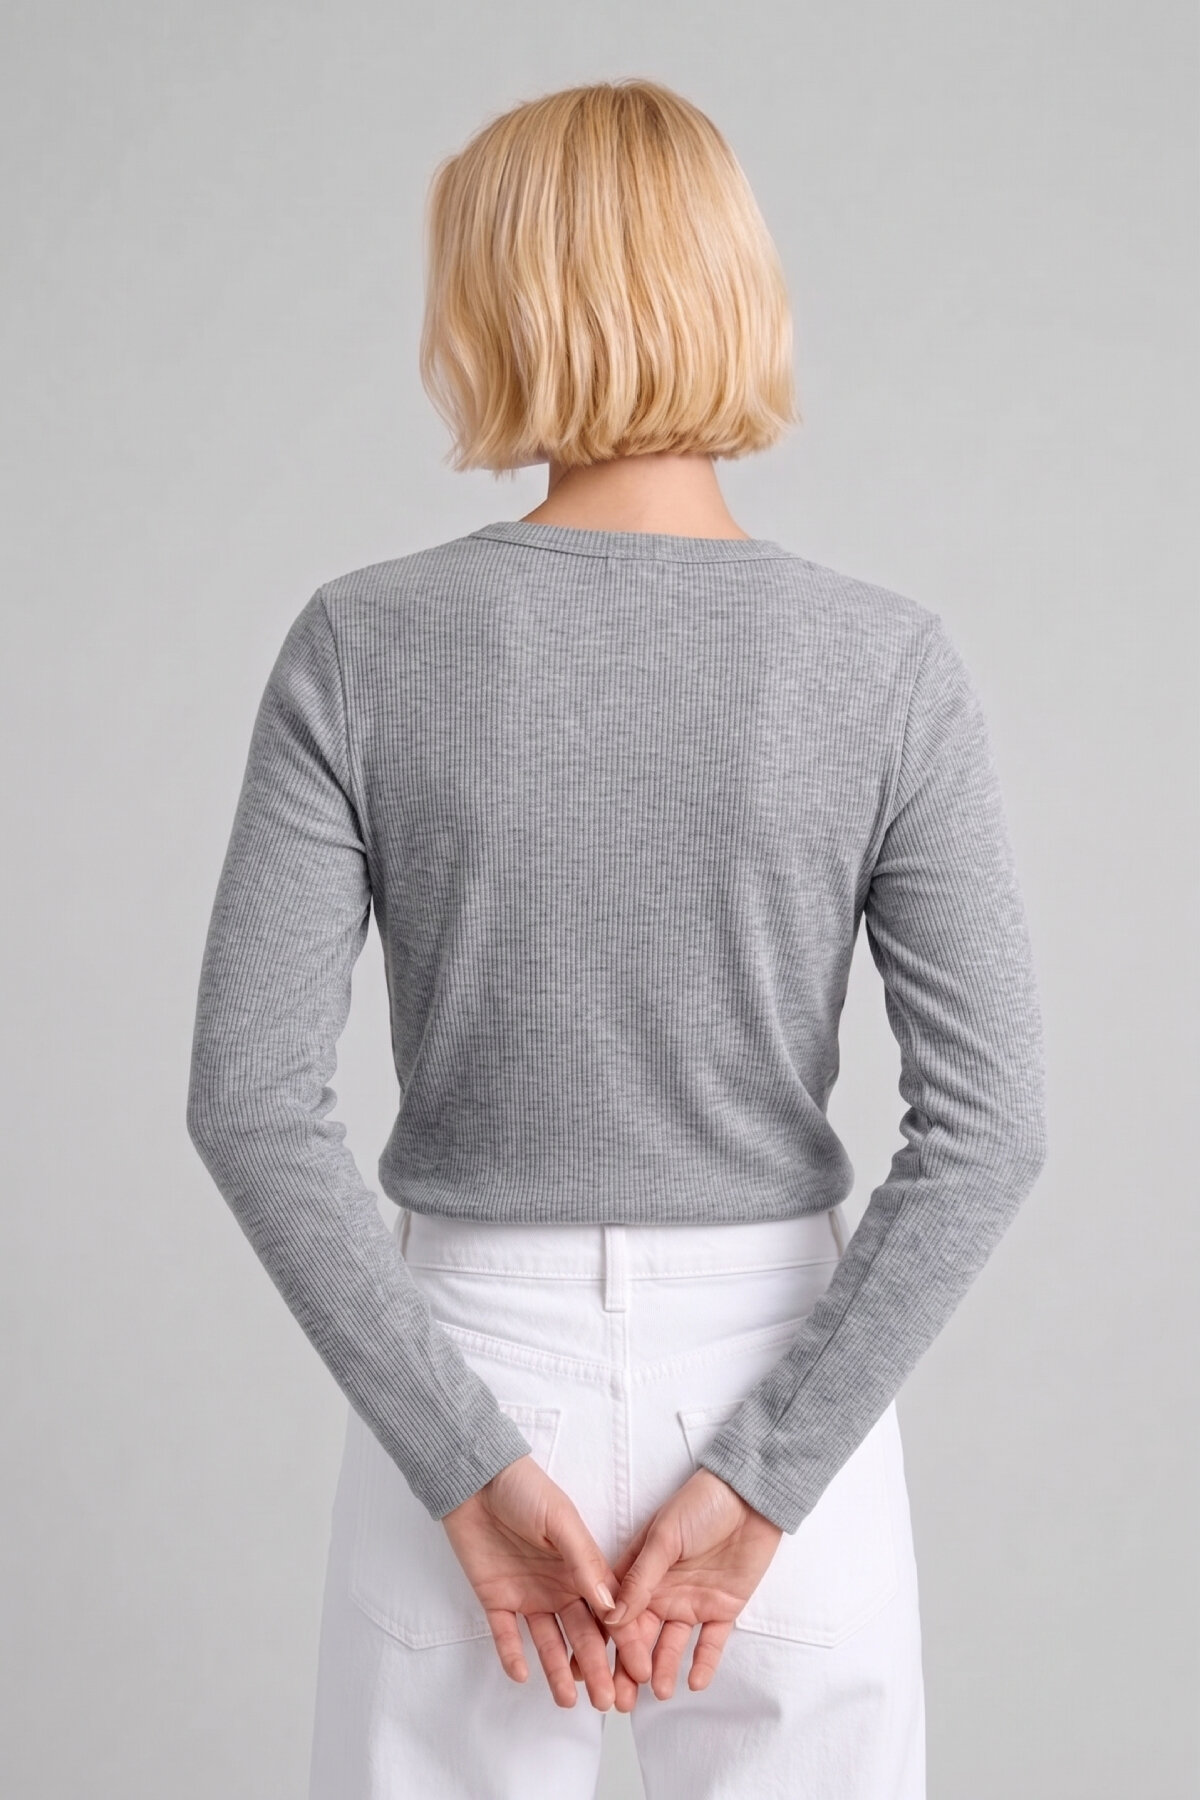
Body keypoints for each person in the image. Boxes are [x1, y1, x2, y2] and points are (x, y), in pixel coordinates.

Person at [186, 77, 1047, 1800]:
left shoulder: (363, 645)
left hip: (465, 1363)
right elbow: (993, 1129)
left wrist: (465, 1465)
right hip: (790, 1369)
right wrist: (765, 1480)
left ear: (490, 307)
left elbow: (251, 1106)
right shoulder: (885, 664)